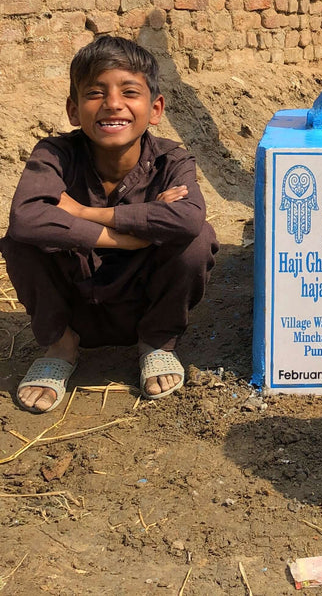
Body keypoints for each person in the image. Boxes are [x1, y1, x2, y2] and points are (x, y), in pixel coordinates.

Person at [2, 36, 218, 413]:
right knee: (19, 241)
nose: (113, 103)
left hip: (142, 307)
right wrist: (126, 238)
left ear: (155, 108)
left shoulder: (172, 160)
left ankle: (156, 343)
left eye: (129, 91)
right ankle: (60, 346)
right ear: (73, 110)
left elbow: (187, 219)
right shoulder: (54, 154)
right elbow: (26, 216)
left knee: (197, 239)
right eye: (95, 93)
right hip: (74, 308)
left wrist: (86, 213)